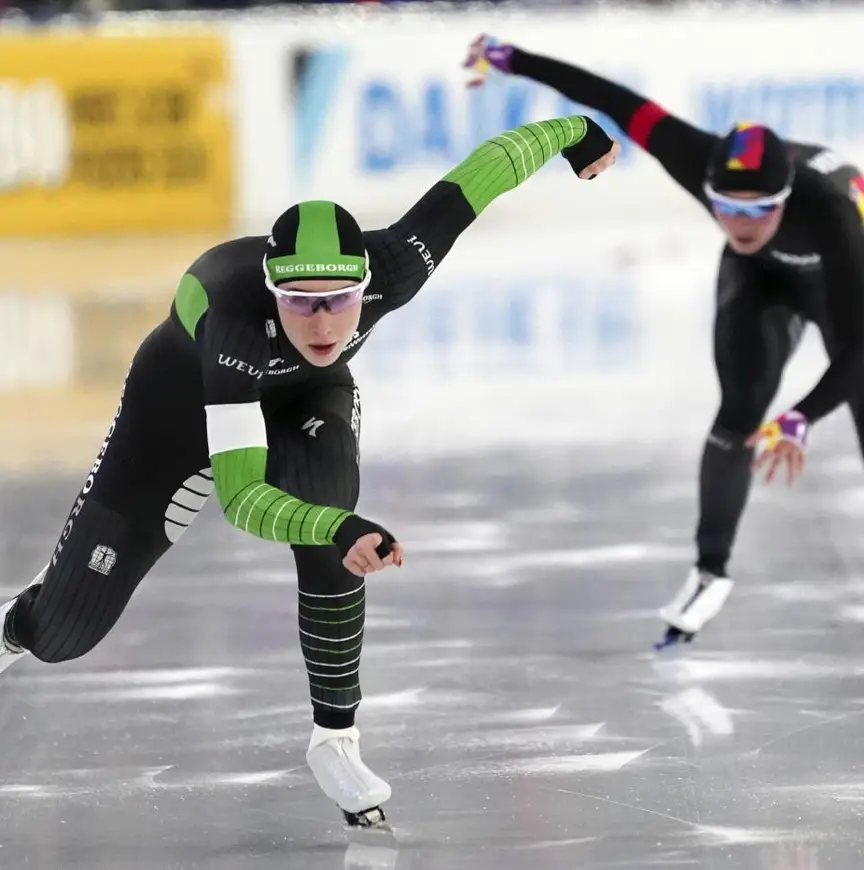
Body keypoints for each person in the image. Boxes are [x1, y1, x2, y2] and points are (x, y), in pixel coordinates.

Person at [0, 114, 619, 827]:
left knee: (329, 510)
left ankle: (335, 739)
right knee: (62, 638)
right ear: (272, 290)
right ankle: (18, 620)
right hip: (172, 426)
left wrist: (578, 131)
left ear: (367, 283)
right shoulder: (231, 316)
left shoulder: (397, 265)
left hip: (304, 401)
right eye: (299, 302)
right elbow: (241, 498)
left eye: (340, 301)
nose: (323, 325)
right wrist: (338, 526)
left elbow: (488, 170)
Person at [464, 36, 864, 650]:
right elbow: (609, 97)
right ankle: (709, 572)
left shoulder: (834, 213)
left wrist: (802, 416)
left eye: (760, 210)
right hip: (759, 280)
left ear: (786, 200)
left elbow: (859, 350)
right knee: (739, 410)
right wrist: (510, 58)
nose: (741, 224)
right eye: (726, 207)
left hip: (841, 281)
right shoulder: (692, 155)